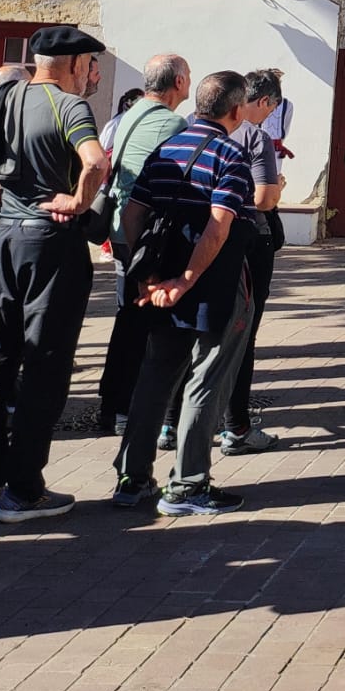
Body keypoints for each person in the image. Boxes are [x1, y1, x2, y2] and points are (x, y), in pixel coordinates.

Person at [0, 26, 110, 525]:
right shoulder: (69, 106)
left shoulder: (2, 96)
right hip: (51, 237)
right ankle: (23, 490)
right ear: (71, 63)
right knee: (45, 362)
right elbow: (96, 162)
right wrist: (79, 199)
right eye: (90, 64)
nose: (91, 74)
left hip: (4, 238)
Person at [113, 70, 257, 516]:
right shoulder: (231, 155)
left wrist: (143, 275)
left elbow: (133, 212)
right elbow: (217, 228)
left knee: (156, 376)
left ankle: (132, 477)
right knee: (206, 378)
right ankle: (188, 485)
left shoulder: (165, 150)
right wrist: (188, 279)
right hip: (211, 282)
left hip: (161, 278)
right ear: (235, 111)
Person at [94, 55, 192, 436]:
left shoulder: (132, 113)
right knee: (144, 320)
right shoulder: (173, 123)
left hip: (121, 229)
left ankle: (113, 402)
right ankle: (129, 407)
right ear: (180, 82)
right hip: (146, 235)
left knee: (129, 317)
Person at [209, 68, 285, 455]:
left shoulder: (191, 130)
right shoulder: (255, 138)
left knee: (198, 332)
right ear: (260, 103)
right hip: (247, 239)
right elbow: (263, 199)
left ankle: (173, 423)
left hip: (198, 239)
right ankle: (236, 426)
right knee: (243, 332)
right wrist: (276, 187)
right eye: (271, 105)